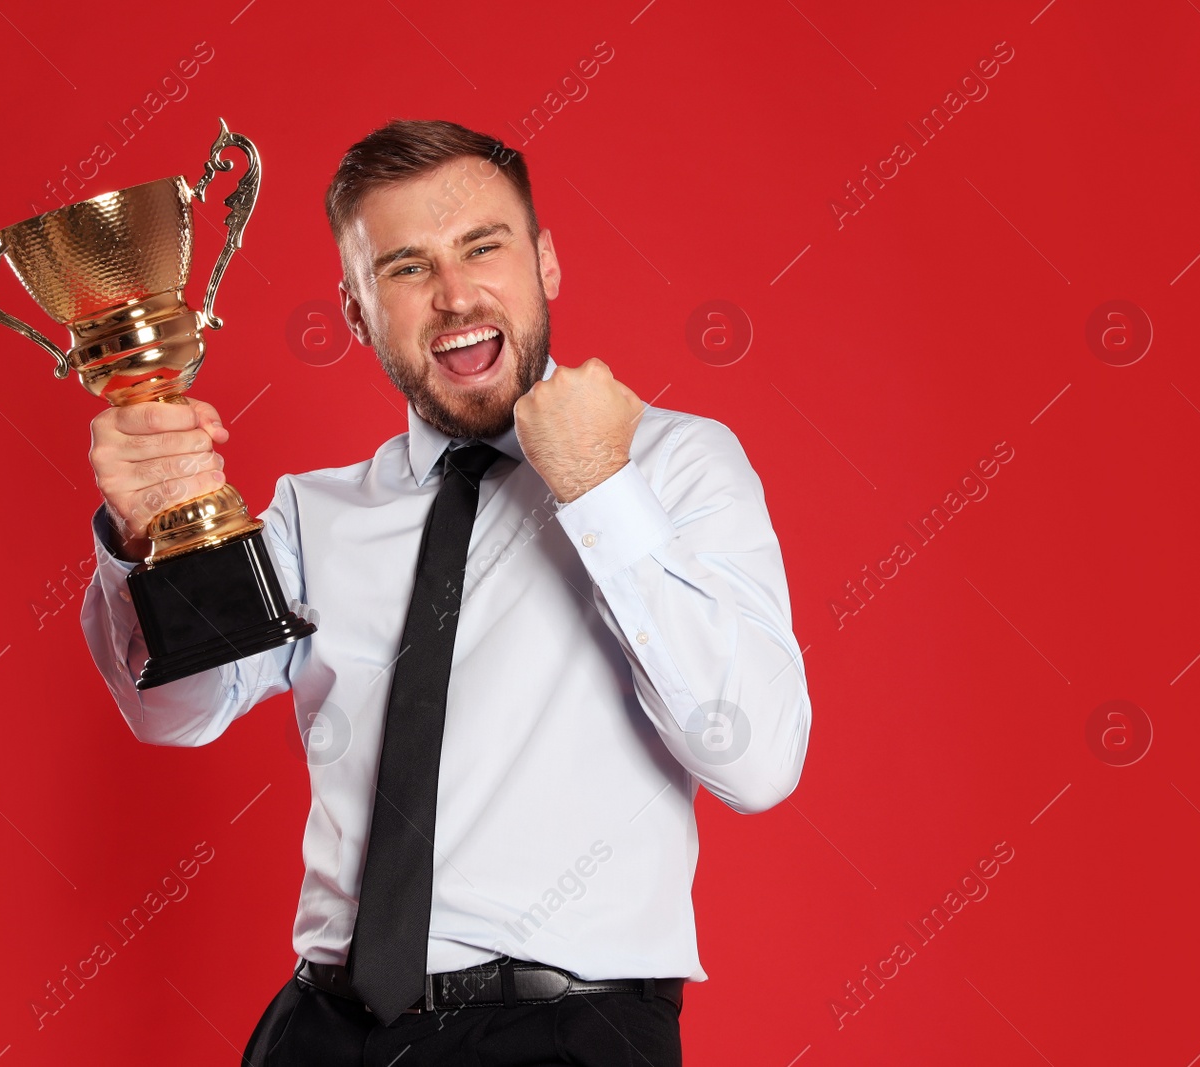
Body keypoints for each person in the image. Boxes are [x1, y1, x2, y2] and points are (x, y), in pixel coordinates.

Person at [80, 119, 812, 1067]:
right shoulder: (314, 513)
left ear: (546, 262)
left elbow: (754, 762)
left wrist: (596, 487)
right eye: (406, 268)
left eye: (483, 246)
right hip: (322, 1031)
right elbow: (176, 711)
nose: (456, 295)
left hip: (566, 1033)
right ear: (356, 311)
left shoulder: (672, 465)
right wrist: (144, 541)